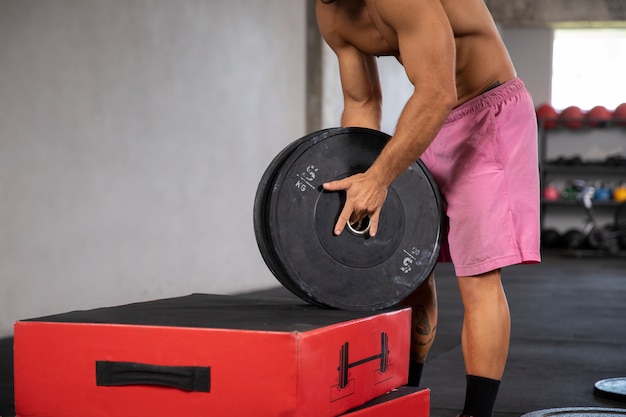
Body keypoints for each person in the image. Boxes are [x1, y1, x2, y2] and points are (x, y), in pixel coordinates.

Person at [315, 1, 541, 416]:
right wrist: (361, 177)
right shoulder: (331, 14)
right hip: (426, 122)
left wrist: (380, 178)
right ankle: (406, 396)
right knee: (409, 270)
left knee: (478, 275)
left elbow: (438, 90)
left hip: (486, 112)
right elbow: (361, 101)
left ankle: (476, 413)